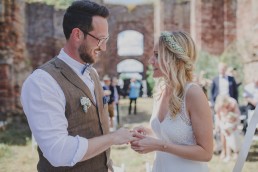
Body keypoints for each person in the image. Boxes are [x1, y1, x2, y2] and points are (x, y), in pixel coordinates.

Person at [20, 1, 135, 171]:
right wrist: (112, 138)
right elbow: (58, 152)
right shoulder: (42, 82)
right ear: (77, 35)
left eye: (106, 39)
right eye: (100, 39)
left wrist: (124, 136)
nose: (103, 47)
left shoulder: (93, 74)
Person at [130, 31, 213, 172]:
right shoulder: (161, 90)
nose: (151, 61)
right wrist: (147, 132)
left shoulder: (193, 93)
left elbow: (206, 153)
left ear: (175, 59)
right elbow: (170, 133)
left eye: (157, 55)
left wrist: (158, 145)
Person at [214, 95, 241, 162]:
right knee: (224, 136)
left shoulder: (233, 102)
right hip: (224, 123)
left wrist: (233, 124)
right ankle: (225, 152)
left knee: (234, 139)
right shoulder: (218, 105)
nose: (224, 107)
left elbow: (237, 115)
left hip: (232, 124)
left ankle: (236, 152)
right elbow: (218, 116)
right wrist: (218, 126)